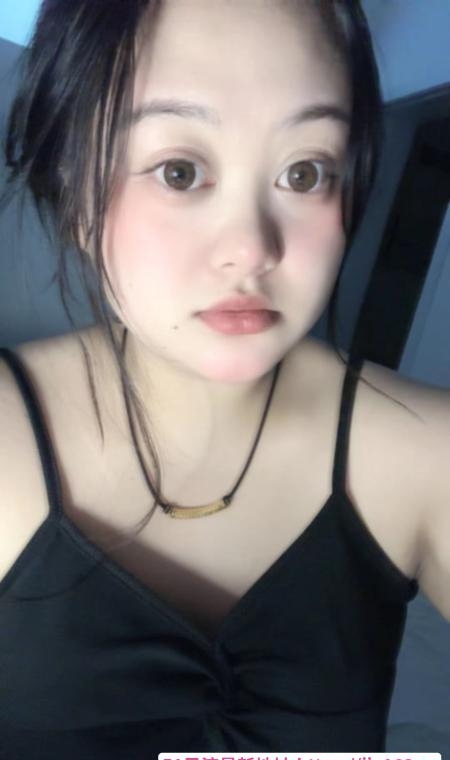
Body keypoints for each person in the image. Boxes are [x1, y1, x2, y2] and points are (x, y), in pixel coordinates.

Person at [0, 0, 449, 756]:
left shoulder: (427, 454)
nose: (251, 248)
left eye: (304, 172)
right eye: (180, 172)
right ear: (75, 191)